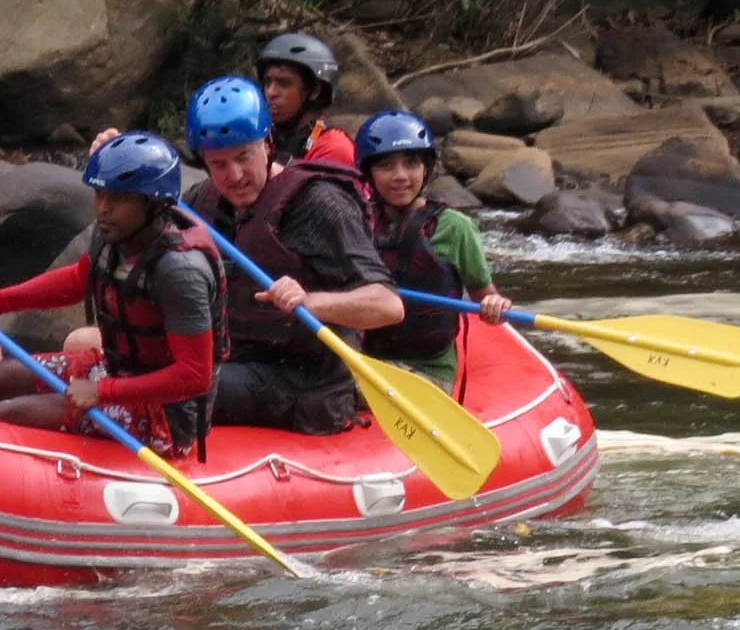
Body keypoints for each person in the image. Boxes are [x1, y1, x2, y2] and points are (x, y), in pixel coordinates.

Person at [0, 132, 223, 457]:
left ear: (154, 204)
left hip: (164, 415)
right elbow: (80, 279)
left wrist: (101, 391)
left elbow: (194, 376)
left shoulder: (181, 272)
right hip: (115, 370)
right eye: (99, 195)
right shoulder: (117, 236)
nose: (103, 208)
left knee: (9, 414)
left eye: (119, 199)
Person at [183, 75, 402, 436]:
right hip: (233, 358)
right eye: (219, 164)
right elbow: (145, 222)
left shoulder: (320, 204)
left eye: (244, 156)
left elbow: (388, 306)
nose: (235, 175)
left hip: (306, 385)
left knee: (180, 388)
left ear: (267, 143)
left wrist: (310, 301)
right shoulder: (201, 200)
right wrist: (118, 157)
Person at [353, 110, 511, 392]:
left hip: (426, 371)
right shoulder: (355, 223)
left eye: (411, 164)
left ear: (425, 169)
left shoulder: (455, 228)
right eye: (386, 165)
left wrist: (496, 305)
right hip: (364, 360)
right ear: (369, 173)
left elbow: (485, 297)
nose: (400, 176)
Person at [258, 32, 356, 168]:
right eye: (268, 82)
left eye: (284, 83)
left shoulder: (334, 147)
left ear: (315, 91)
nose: (271, 92)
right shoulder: (264, 138)